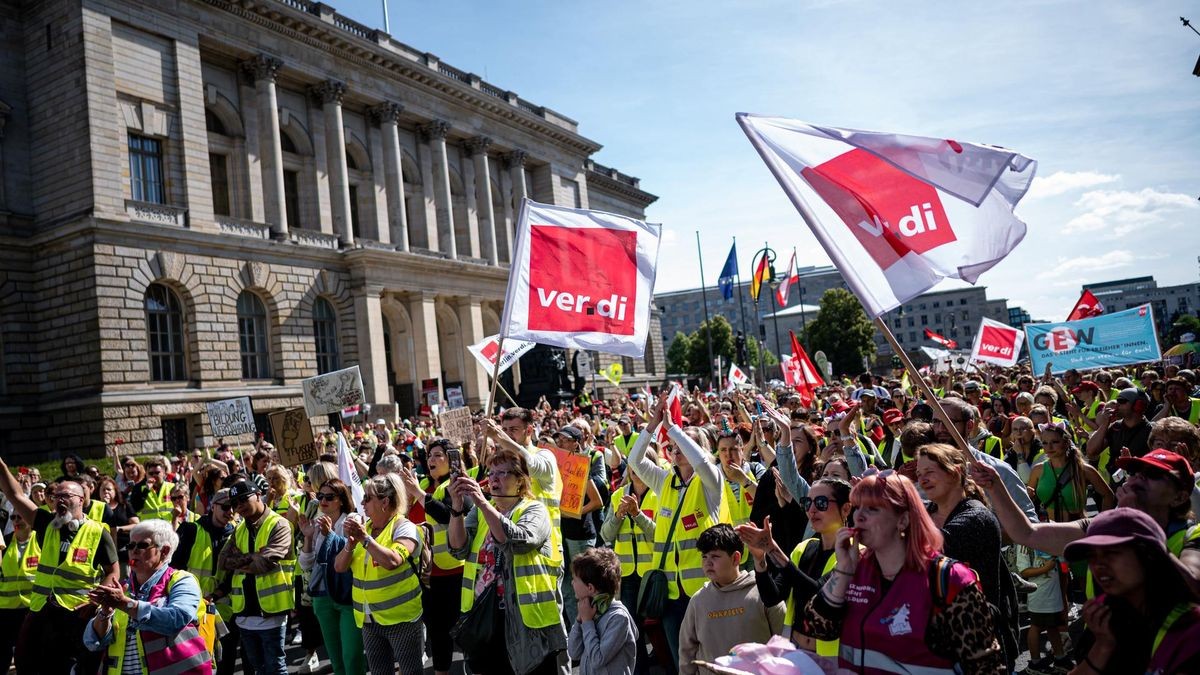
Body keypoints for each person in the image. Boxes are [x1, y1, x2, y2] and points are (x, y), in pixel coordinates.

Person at [802, 471, 1005, 674]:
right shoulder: (854, 567)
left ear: (903, 520)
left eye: (873, 509)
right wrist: (843, 571)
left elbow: (987, 667)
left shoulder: (947, 579)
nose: (858, 516)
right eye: (857, 507)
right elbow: (817, 628)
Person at [627, 392, 727, 669]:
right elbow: (635, 460)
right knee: (680, 662)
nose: (675, 447)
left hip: (705, 590)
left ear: (702, 449)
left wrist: (674, 428)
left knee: (711, 662)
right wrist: (652, 426)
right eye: (673, 444)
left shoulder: (711, 480)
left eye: (685, 443)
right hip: (671, 592)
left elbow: (703, 463)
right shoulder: (665, 481)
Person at [448, 448, 568, 675]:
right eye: (491, 474)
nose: (494, 479)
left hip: (526, 619)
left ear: (521, 481)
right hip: (485, 613)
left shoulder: (534, 509)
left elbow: (516, 541)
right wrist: (456, 507)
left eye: (502, 473)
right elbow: (457, 549)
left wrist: (482, 503)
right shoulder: (482, 511)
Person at [0, 459, 120, 674]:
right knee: (26, 663)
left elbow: (113, 571)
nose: (59, 500)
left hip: (77, 615)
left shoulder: (97, 532)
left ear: (81, 499)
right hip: (40, 611)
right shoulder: (46, 523)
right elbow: (14, 494)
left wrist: (95, 603)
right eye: (56, 497)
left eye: (66, 496)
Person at [916, 443, 1018, 668]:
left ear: (956, 472)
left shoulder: (976, 517)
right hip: (934, 642)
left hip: (976, 644)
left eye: (930, 472)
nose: (922, 480)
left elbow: (926, 551)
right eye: (919, 474)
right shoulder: (926, 512)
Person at [1063, 508, 1200, 674]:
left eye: (1111, 552)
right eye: (1092, 556)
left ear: (1148, 554)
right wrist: (1103, 646)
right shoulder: (1102, 614)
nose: (1098, 564)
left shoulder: (1189, 629)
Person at [740, 478, 853, 660]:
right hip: (794, 652)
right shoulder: (804, 548)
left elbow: (819, 597)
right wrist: (760, 559)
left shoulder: (854, 554)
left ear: (846, 509)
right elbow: (772, 597)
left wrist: (773, 549)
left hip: (832, 659)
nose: (812, 510)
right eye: (807, 503)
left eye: (821, 503)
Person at [84, 519, 211, 674]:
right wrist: (105, 613)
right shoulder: (122, 588)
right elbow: (92, 642)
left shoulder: (182, 580)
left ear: (164, 551)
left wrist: (125, 604)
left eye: (142, 545)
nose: (134, 551)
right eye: (131, 545)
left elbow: (176, 620)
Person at [334, 473, 424, 675]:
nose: (362, 503)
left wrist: (364, 540)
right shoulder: (364, 529)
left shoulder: (404, 527)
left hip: (401, 619)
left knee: (410, 671)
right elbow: (339, 567)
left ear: (385, 501)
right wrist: (350, 543)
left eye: (368, 498)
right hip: (369, 620)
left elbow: (392, 561)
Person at [678, 524, 785, 675]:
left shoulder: (764, 593)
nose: (708, 562)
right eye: (704, 556)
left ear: (735, 558)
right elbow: (686, 651)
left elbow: (785, 641)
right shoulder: (698, 601)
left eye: (715, 556)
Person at [217, 479, 294, 675]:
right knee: (258, 670)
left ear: (258, 495)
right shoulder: (240, 528)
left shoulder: (279, 524)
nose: (238, 506)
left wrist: (245, 560)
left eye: (243, 499)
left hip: (271, 612)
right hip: (244, 615)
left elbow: (264, 564)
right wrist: (252, 557)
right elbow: (223, 560)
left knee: (275, 668)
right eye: (234, 503)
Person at [600, 454, 658, 674]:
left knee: (660, 626)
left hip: (655, 572)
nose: (636, 470)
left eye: (641, 464)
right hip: (628, 575)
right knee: (633, 628)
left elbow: (659, 535)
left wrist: (638, 515)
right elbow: (605, 534)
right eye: (632, 466)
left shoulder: (661, 494)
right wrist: (617, 516)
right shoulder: (617, 496)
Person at [172, 487, 239, 675]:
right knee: (195, 662)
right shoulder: (192, 529)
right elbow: (175, 569)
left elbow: (233, 574)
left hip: (224, 609)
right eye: (225, 507)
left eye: (234, 507)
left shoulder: (236, 533)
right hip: (192, 610)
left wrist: (215, 595)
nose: (230, 512)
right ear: (212, 506)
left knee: (226, 660)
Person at [300, 478, 362, 675]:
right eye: (320, 496)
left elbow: (349, 552)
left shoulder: (352, 520)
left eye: (329, 497)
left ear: (341, 500)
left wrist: (329, 535)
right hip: (323, 596)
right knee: (335, 657)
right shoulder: (318, 523)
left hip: (347, 595)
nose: (323, 501)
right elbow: (306, 564)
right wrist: (308, 536)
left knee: (351, 655)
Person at [553, 425, 604, 625]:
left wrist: (574, 513)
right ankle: (579, 628)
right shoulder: (558, 466)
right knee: (567, 586)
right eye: (559, 440)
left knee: (585, 586)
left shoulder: (580, 466)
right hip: (562, 534)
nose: (561, 443)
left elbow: (597, 501)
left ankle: (594, 624)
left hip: (580, 536)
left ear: (576, 442)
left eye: (565, 440)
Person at [567, 547, 637, 675]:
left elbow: (598, 660)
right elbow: (573, 652)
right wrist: (579, 620)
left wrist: (587, 622)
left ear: (590, 587)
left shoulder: (618, 618)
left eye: (575, 579)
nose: (572, 583)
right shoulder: (590, 609)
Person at [1028, 422, 1114, 522]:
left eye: (1055, 442)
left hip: (1077, 531)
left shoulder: (1083, 469)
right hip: (1050, 531)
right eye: (1044, 443)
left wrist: (1102, 523)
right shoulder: (1038, 470)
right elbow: (1028, 499)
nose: (1049, 447)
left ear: (1066, 442)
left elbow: (1108, 496)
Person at [1015, 543, 1068, 674]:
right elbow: (1024, 571)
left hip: (1053, 594)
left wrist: (1065, 576)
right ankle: (1035, 664)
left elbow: (1063, 565)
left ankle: (1060, 659)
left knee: (1052, 626)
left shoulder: (1049, 538)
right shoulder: (1024, 544)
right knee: (1036, 626)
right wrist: (1046, 568)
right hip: (1039, 593)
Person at [1085, 387, 1152, 479]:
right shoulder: (1115, 427)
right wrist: (1105, 423)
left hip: (1141, 483)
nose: (1117, 405)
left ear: (1138, 405)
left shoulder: (1152, 431)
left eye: (1121, 401)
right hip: (1115, 482)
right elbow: (1091, 451)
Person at [0, 510, 38, 673]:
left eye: (20, 516)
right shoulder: (6, 542)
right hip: (6, 608)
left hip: (31, 609)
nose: (16, 520)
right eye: (12, 517)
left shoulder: (42, 540)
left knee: (27, 655)